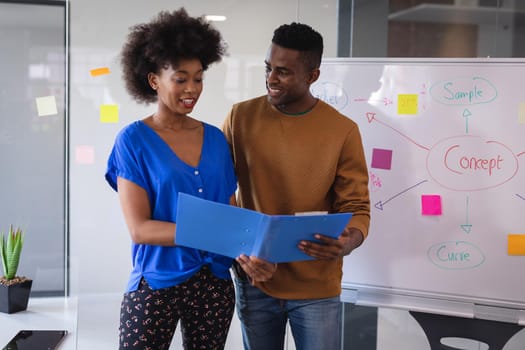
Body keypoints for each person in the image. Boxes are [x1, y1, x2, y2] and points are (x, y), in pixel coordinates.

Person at [222, 22, 371, 350]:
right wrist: (239, 249)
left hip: (317, 287)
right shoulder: (240, 117)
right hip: (255, 279)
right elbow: (219, 192)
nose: (271, 79)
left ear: (312, 76)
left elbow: (356, 207)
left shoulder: (342, 131)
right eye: (268, 68)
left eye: (284, 72)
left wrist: (350, 239)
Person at [105, 8, 237, 350]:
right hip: (156, 280)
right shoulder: (132, 141)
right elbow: (140, 229)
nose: (192, 88)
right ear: (154, 81)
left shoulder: (217, 140)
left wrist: (250, 244)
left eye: (198, 78)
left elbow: (229, 211)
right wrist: (211, 232)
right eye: (181, 78)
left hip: (214, 282)